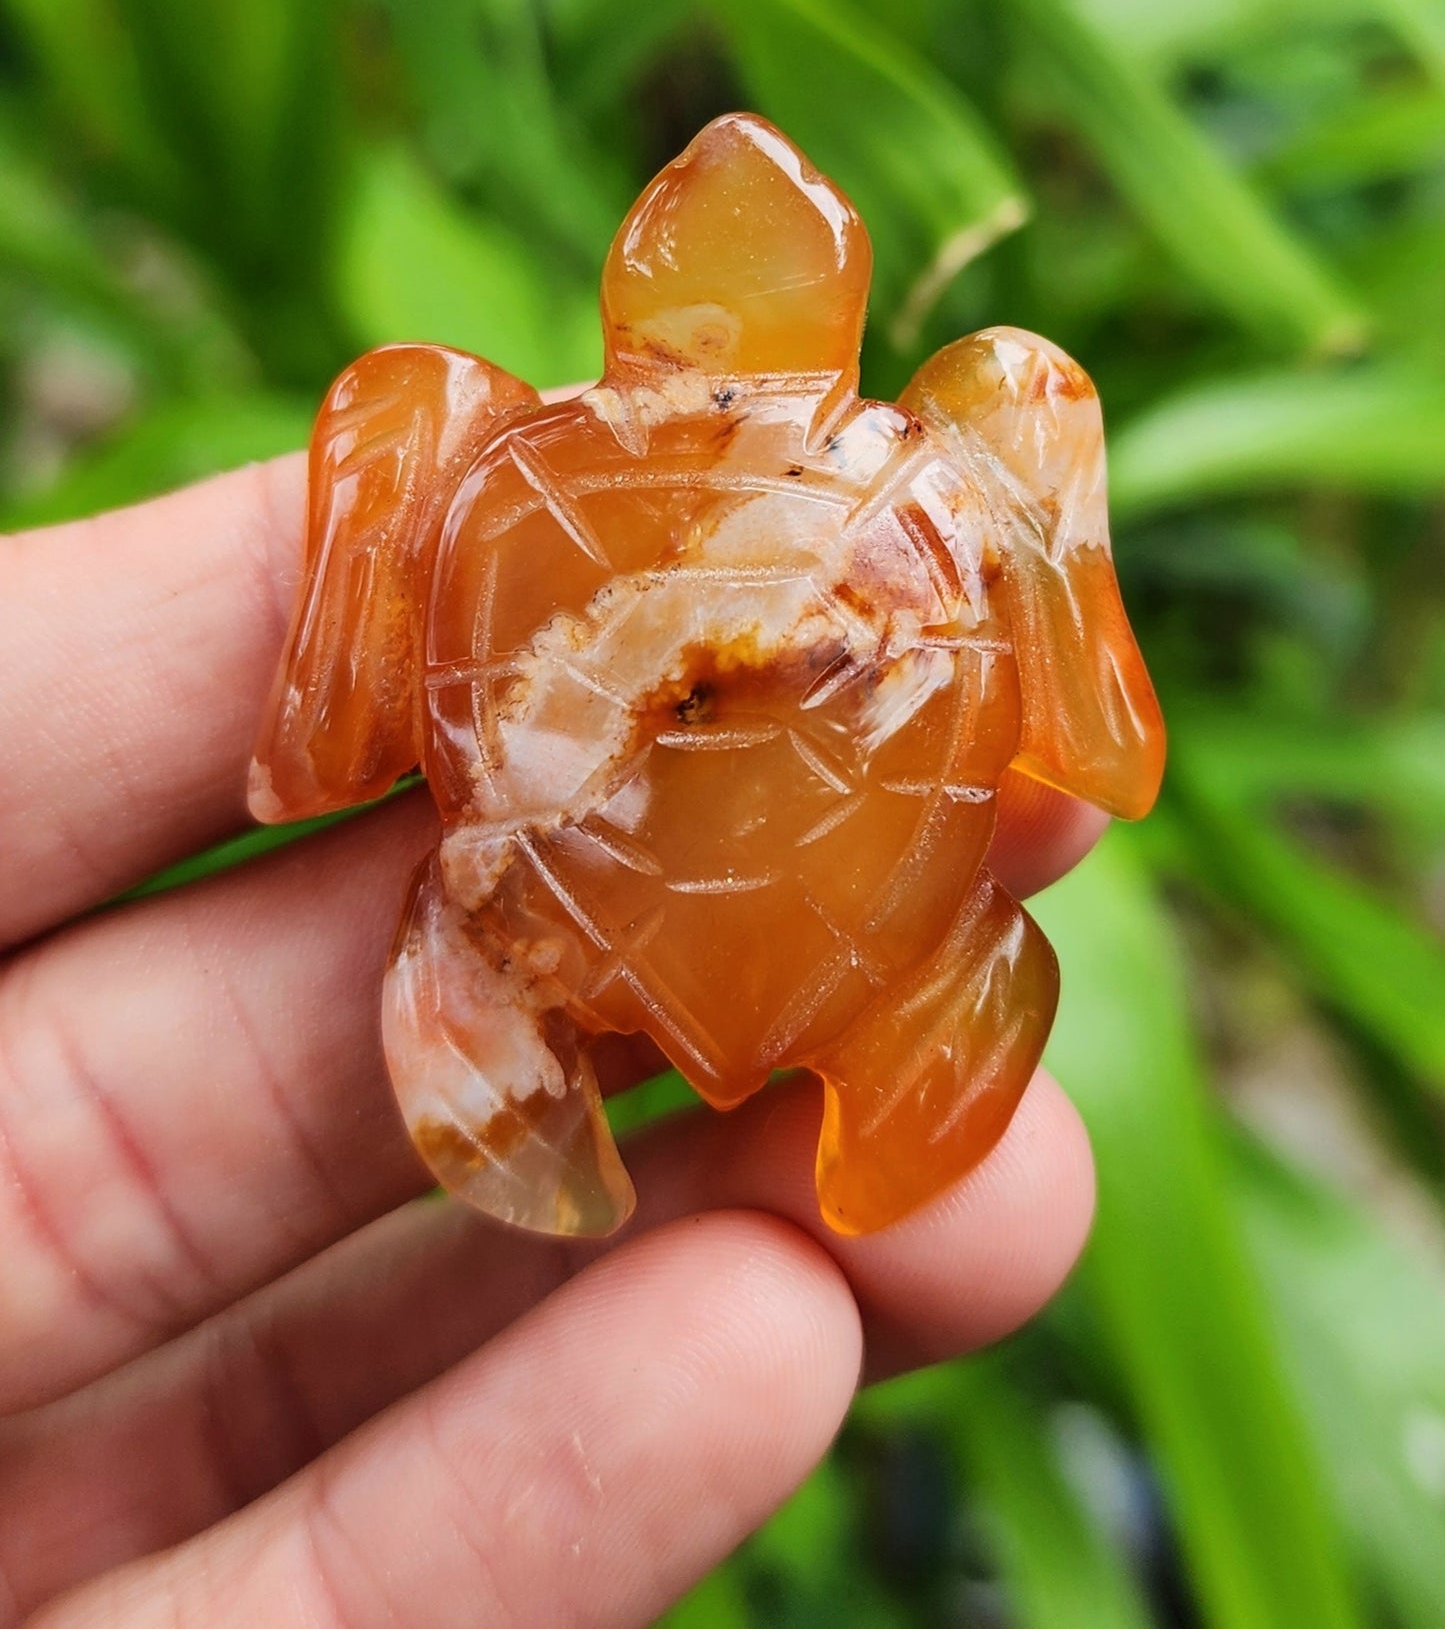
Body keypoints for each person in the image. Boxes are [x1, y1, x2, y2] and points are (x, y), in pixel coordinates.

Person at [0, 417, 1102, 1627]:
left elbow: (1104, 737)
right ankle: (650, 1108)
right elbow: (1109, 748)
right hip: (673, 886)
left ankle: (768, 1106)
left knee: (504, 944)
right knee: (951, 960)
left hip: (722, 892)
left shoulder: (504, 450)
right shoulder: (521, 452)